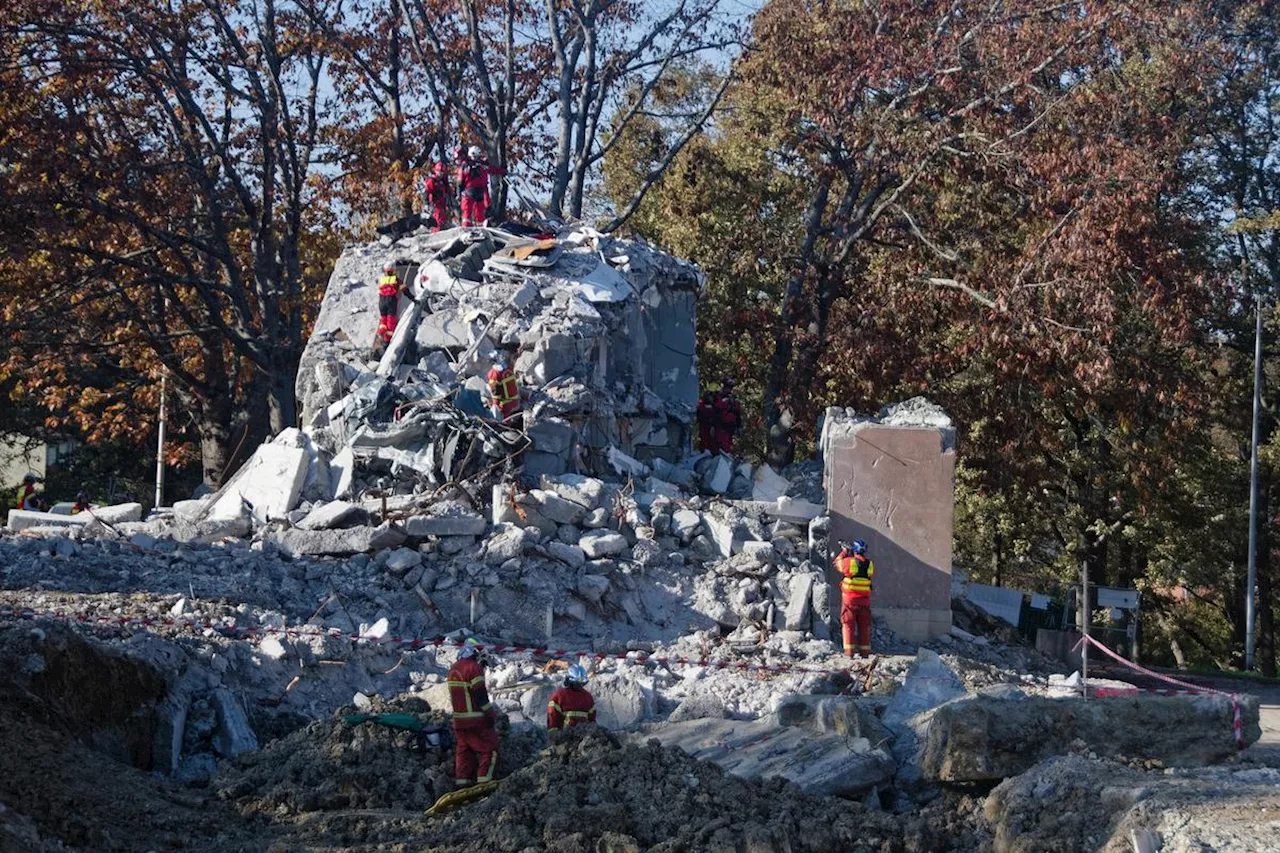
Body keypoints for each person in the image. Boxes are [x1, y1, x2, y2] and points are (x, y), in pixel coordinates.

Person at [446, 638, 500, 790]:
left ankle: (462, 783)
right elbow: (481, 696)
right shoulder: (474, 668)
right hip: (475, 720)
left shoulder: (453, 668)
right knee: (489, 748)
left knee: (464, 750)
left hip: (458, 721)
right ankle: (484, 782)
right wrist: (490, 714)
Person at [835, 539, 875, 658]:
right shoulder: (870, 564)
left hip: (850, 601)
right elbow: (866, 573)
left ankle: (849, 653)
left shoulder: (849, 562)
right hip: (865, 601)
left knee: (848, 625)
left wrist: (844, 552)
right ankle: (865, 653)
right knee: (864, 626)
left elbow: (837, 564)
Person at [456, 145, 505, 227]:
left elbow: (460, 181)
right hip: (480, 193)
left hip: (469, 193)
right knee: (479, 215)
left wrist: (458, 194)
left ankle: (466, 229)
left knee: (467, 214)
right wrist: (503, 171)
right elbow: (493, 170)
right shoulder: (483, 165)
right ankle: (480, 229)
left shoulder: (465, 166)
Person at [547, 665, 596, 732]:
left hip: (582, 735)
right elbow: (552, 716)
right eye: (578, 683)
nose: (580, 685)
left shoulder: (588, 697)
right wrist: (554, 734)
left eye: (581, 683)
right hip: (565, 736)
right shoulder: (560, 696)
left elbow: (592, 720)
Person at [712, 378, 741, 455]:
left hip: (723, 426)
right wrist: (738, 427)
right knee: (724, 444)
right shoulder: (734, 400)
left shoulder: (723, 399)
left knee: (722, 446)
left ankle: (723, 462)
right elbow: (738, 414)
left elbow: (715, 411)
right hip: (728, 426)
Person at [486, 357, 521, 421]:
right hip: (515, 402)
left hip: (505, 407)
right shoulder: (509, 369)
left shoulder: (493, 374)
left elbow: (495, 394)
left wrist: (494, 406)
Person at [422, 161, 452, 232]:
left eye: (442, 172)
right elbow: (426, 191)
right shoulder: (432, 180)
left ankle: (441, 232)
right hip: (435, 204)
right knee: (437, 221)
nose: (441, 174)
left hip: (442, 204)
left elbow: (448, 191)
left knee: (443, 220)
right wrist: (426, 203)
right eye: (440, 172)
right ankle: (436, 233)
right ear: (436, 171)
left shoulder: (442, 181)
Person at [377, 263, 401, 344]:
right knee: (390, 323)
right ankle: (387, 340)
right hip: (391, 302)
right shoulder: (396, 280)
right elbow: (405, 290)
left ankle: (381, 332)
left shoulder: (382, 280)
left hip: (382, 302)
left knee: (383, 321)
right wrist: (413, 299)